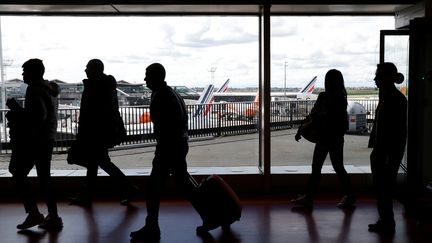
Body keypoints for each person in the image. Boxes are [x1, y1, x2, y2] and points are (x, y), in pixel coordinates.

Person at [130, 63, 195, 242]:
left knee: (153, 188)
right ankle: (214, 213)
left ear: (155, 77)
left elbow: (163, 126)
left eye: (147, 76)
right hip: (178, 145)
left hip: (168, 147)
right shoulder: (172, 93)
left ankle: (152, 227)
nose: (145, 79)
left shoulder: (161, 96)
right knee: (185, 184)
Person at [69, 59, 138, 206]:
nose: (85, 70)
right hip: (103, 132)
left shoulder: (94, 87)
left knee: (99, 163)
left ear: (94, 70)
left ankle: (127, 188)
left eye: (87, 68)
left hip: (94, 133)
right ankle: (88, 195)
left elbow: (90, 114)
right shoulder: (107, 87)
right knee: (98, 163)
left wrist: (82, 134)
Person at [6, 58, 63, 231]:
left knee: (17, 171)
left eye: (25, 71)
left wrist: (15, 108)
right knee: (45, 178)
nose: (22, 74)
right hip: (47, 138)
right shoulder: (50, 89)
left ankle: (34, 213)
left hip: (34, 141)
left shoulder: (34, 89)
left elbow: (37, 117)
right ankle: (53, 216)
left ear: (33, 72)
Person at [292, 69, 355, 209]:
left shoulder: (323, 97)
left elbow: (313, 115)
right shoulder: (341, 99)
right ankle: (350, 196)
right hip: (335, 138)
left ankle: (309, 198)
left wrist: (301, 129)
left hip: (324, 138)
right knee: (338, 167)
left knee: (316, 168)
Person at [368, 62, 407, 233]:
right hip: (386, 150)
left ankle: (387, 221)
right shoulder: (393, 97)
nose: (375, 79)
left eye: (378, 75)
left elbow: (391, 129)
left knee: (384, 187)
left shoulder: (391, 99)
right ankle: (386, 220)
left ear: (386, 78)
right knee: (386, 187)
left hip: (386, 150)